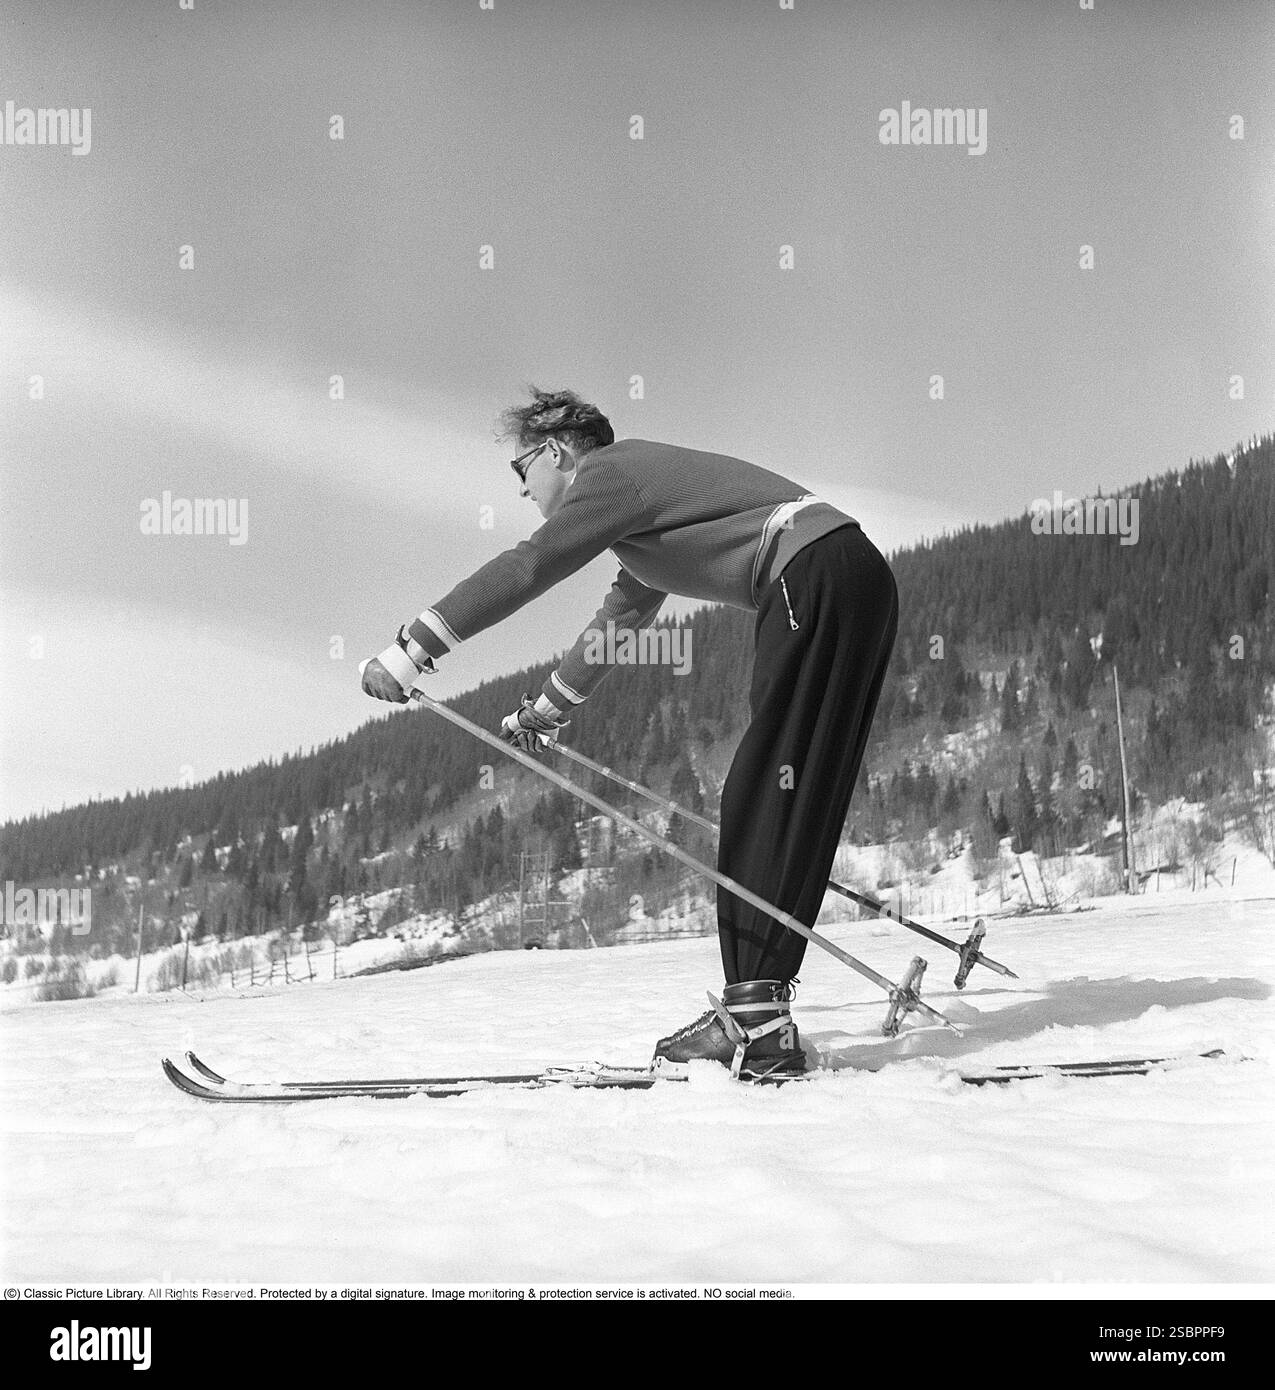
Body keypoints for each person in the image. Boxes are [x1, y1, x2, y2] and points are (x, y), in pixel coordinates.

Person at [362, 388, 898, 1078]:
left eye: (521, 470)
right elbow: (618, 622)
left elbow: (530, 565)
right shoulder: (640, 519)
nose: (523, 491)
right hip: (850, 574)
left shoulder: (611, 472)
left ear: (557, 450)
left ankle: (756, 1021)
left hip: (812, 574)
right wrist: (546, 712)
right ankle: (760, 1014)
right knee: (793, 786)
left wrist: (411, 649)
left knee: (763, 788)